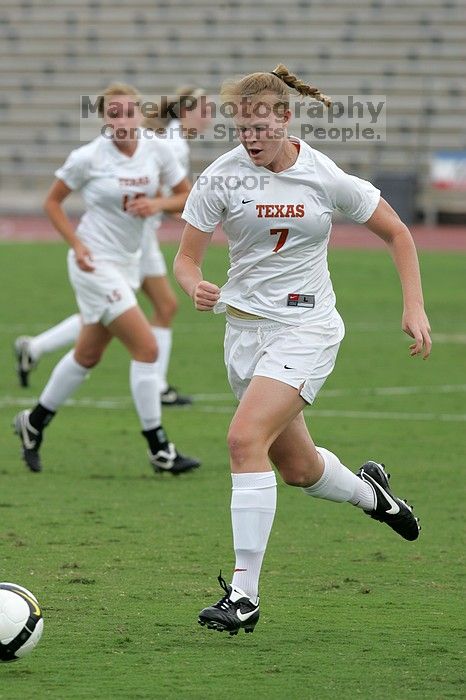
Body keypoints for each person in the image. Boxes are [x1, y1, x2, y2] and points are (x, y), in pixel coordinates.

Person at [173, 64, 431, 635]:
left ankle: (244, 594)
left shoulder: (324, 175)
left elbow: (398, 233)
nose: (251, 138)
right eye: (242, 129)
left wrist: (413, 306)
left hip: (307, 329)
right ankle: (375, 496)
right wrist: (196, 286)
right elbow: (186, 260)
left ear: (286, 119)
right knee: (298, 469)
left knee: (243, 440)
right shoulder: (221, 177)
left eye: (261, 127)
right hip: (243, 333)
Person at [14, 82, 200, 476]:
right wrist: (77, 245)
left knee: (87, 355)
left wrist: (158, 203)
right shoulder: (88, 157)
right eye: (112, 114)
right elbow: (52, 202)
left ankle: (33, 423)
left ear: (138, 113)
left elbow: (186, 195)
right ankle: (159, 448)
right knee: (147, 348)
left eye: (127, 112)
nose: (120, 120)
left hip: (129, 263)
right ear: (103, 118)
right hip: (93, 262)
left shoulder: (158, 149)